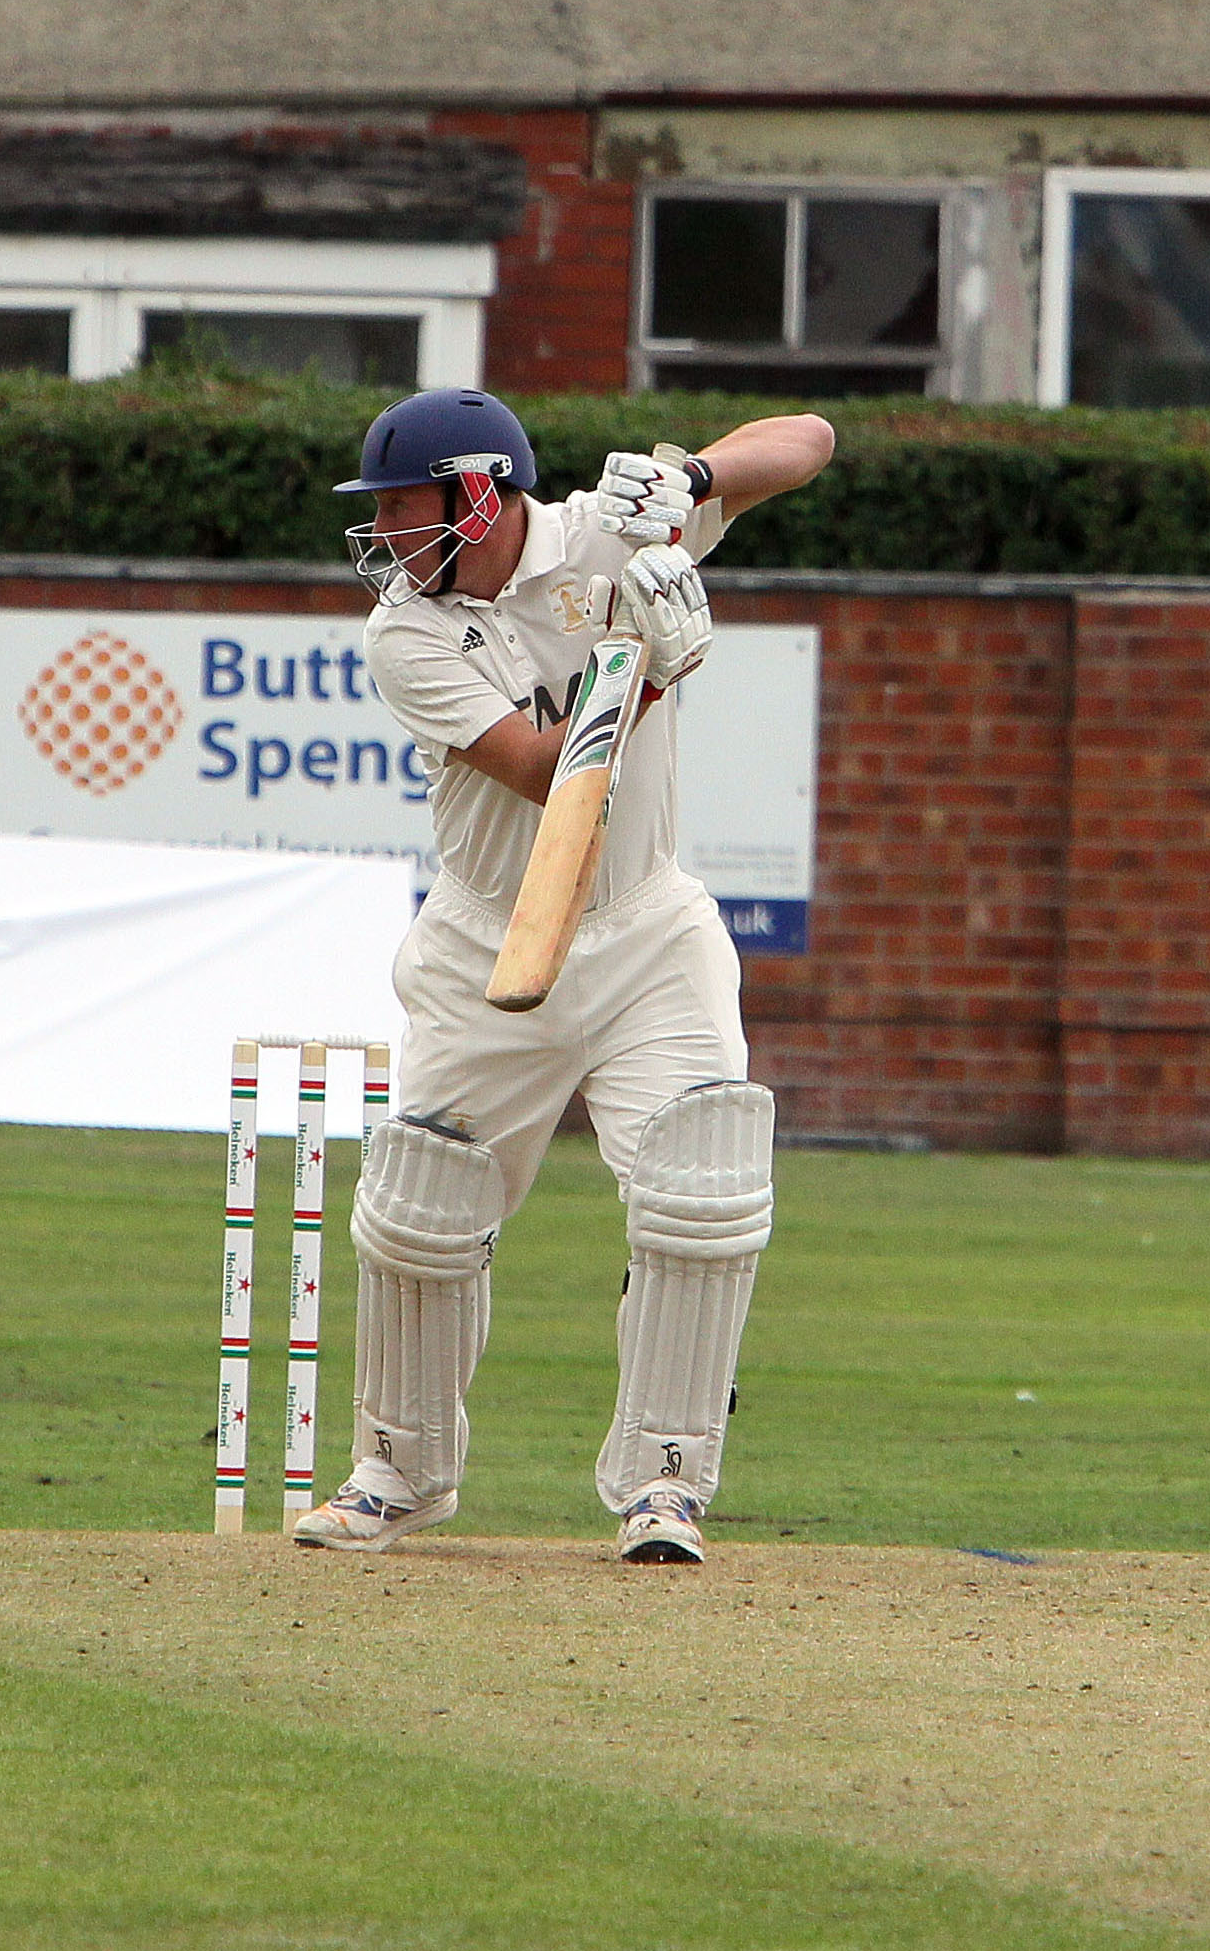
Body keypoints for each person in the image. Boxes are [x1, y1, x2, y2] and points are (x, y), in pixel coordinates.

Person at [292, 390, 836, 1563]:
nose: (383, 533)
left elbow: (807, 441)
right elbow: (546, 773)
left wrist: (693, 482)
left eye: (401, 506)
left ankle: (665, 1485)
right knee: (421, 1208)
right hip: (486, 936)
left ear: (477, 494)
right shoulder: (405, 633)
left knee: (700, 1190)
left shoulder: (609, 533)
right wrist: (646, 672)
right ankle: (398, 1472)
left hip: (646, 928)